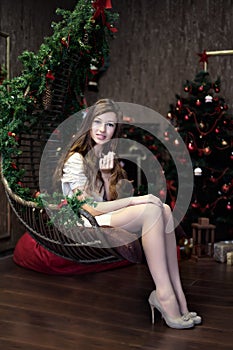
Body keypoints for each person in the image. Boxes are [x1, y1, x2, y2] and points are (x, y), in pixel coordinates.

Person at [54, 98, 202, 329]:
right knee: (151, 209)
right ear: (89, 124)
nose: (103, 130)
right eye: (98, 122)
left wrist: (105, 176)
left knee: (162, 208)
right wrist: (136, 199)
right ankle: (165, 297)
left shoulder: (103, 157)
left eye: (110, 125)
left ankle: (180, 299)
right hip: (84, 221)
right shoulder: (76, 159)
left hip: (100, 216)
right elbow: (89, 209)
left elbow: (107, 203)